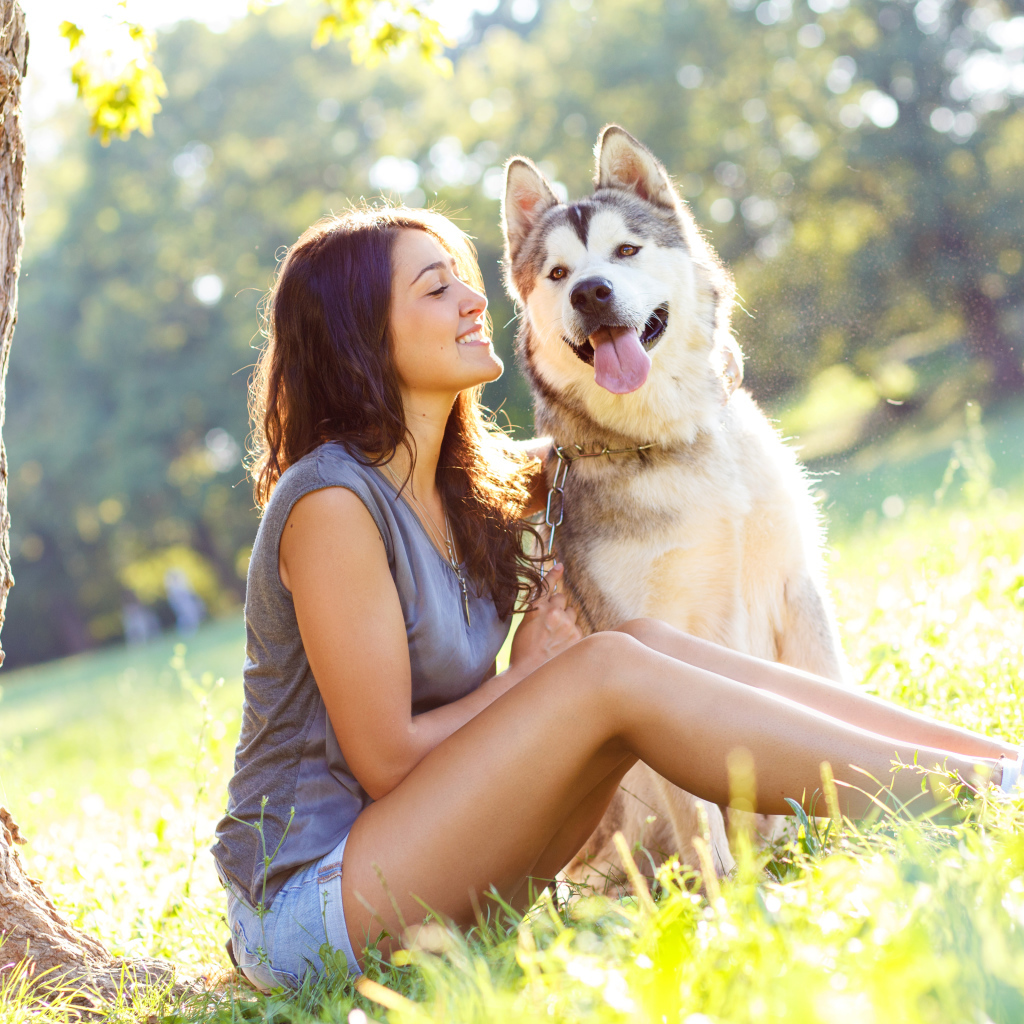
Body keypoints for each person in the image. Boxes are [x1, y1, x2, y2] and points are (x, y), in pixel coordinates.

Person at [211, 206, 1020, 992]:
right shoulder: (331, 507)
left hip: (429, 857)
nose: (474, 300)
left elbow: (625, 428)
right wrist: (525, 673)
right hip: (313, 905)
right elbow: (385, 760)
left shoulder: (467, 480)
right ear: (361, 332)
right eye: (435, 288)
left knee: (642, 643)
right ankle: (959, 794)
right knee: (605, 667)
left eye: (465, 279)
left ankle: (996, 770)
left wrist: (695, 353)